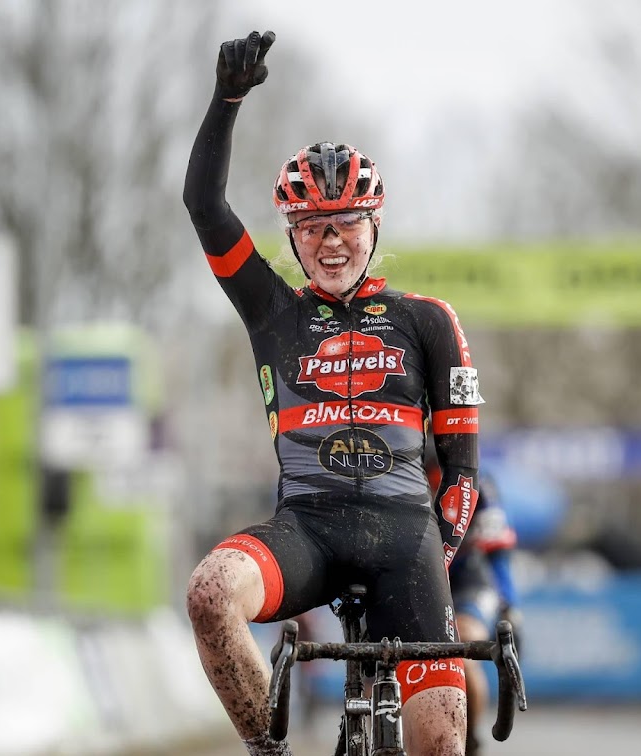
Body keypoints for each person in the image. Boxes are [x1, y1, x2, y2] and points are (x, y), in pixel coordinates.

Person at [182, 31, 484, 756]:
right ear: (294, 237)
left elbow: (464, 466)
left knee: (441, 743)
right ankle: (271, 748)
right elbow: (203, 203)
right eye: (312, 227)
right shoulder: (273, 312)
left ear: (373, 225)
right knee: (209, 594)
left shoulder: (427, 320)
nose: (331, 240)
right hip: (306, 533)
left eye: (346, 221)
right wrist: (226, 102)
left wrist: (433, 559)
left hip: (405, 539)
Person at [427, 458, 519, 756]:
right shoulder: (393, 465)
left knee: (463, 648)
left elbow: (497, 549)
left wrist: (509, 603)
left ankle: (470, 743)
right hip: (417, 577)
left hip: (468, 579)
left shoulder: (479, 479)